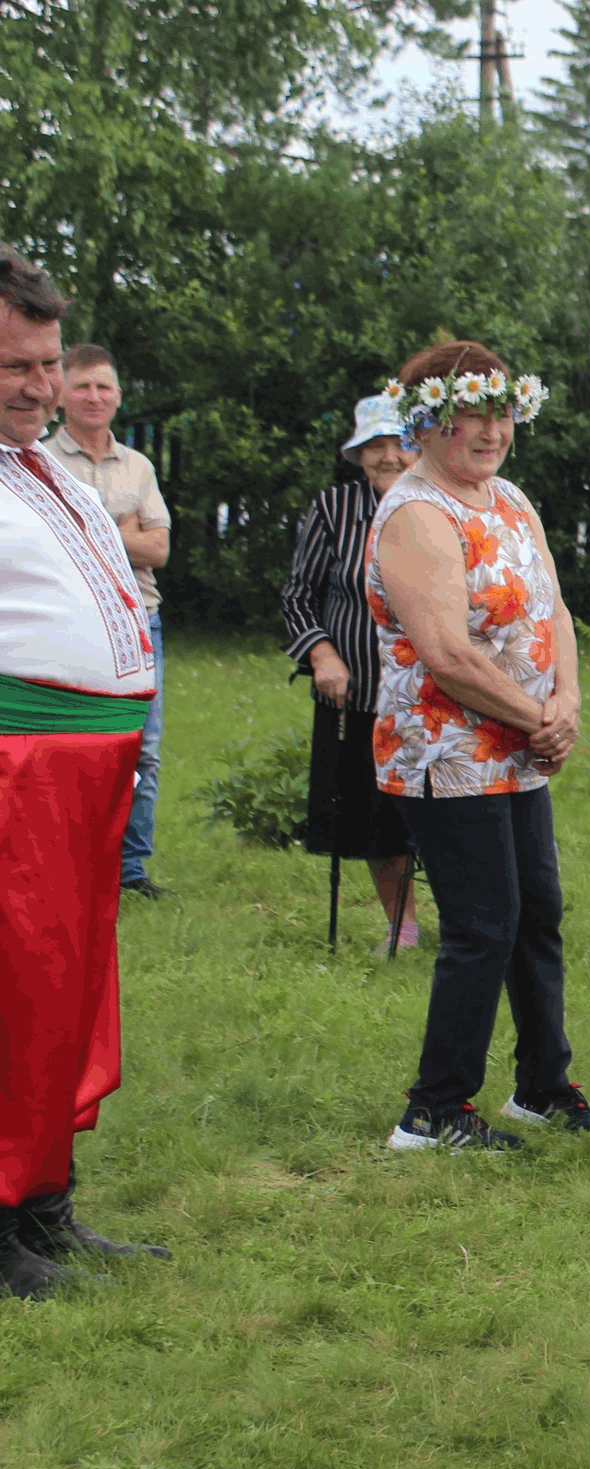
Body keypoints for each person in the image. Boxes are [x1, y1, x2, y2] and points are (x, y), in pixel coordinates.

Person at [368, 340, 590, 1152]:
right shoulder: (415, 513)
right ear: (427, 424)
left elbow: (555, 611)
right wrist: (537, 717)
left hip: (515, 745)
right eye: (469, 415)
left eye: (501, 413)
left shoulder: (507, 497)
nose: (490, 431)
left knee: (536, 913)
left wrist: (568, 700)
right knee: (485, 923)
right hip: (445, 749)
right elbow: (445, 652)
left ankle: (543, 1086)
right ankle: (434, 1107)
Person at [0, 244, 170, 1298]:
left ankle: (45, 1202)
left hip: (82, 775)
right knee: (13, 994)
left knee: (65, 992)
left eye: (48, 363)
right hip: (19, 769)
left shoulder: (44, 468)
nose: (40, 386)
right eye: (14, 366)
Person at [282, 392, 421, 951]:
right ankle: (403, 927)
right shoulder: (334, 509)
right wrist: (321, 653)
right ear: (358, 454)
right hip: (358, 696)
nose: (390, 456)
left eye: (401, 443)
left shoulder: (439, 508)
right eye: (376, 446)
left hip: (434, 697)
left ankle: (472, 921)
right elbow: (297, 596)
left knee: (439, 815)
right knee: (374, 819)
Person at [41, 343, 172, 899]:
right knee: (69, 743)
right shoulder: (38, 459)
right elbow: (48, 550)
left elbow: (160, 550)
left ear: (118, 396)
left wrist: (94, 529)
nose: (93, 397)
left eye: (104, 387)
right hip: (69, 620)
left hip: (139, 620)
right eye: (82, 386)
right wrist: (122, 530)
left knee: (143, 748)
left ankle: (131, 872)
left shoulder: (138, 466)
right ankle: (69, 864)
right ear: (60, 393)